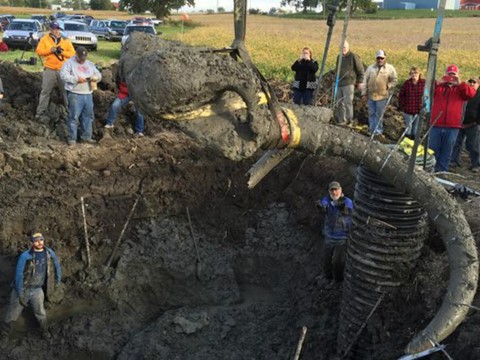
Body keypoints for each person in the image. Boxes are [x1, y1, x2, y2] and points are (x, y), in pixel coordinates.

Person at [0, 231, 62, 340]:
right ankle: (4, 335)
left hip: (37, 289)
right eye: (36, 241)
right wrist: (19, 292)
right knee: (12, 313)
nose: (39, 242)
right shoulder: (26, 256)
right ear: (32, 243)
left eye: (41, 240)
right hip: (22, 288)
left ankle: (44, 330)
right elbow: (18, 274)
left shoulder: (49, 253)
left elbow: (57, 265)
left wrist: (58, 280)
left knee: (41, 312)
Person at [429, 64, 476, 172]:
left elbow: (471, 94)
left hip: (453, 126)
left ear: (457, 75)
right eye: (449, 74)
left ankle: (442, 172)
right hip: (436, 124)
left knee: (447, 151)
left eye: (453, 75)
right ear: (446, 74)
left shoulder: (460, 89)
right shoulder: (439, 87)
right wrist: (438, 82)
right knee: (433, 150)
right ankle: (431, 170)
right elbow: (428, 91)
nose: (451, 77)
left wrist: (460, 83)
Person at [60, 46, 102, 146]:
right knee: (74, 116)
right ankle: (72, 138)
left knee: (88, 116)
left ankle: (86, 137)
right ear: (76, 55)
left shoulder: (90, 64)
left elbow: (99, 74)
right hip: (75, 94)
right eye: (80, 59)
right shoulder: (69, 63)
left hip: (88, 94)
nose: (82, 61)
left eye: (84, 59)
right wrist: (75, 79)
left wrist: (95, 77)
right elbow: (63, 75)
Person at [35, 22, 75, 120]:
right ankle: (40, 112)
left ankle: (70, 112)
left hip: (63, 70)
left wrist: (62, 52)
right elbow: (39, 52)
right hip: (49, 69)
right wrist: (50, 50)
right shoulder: (44, 39)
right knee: (45, 91)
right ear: (51, 29)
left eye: (58, 29)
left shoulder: (66, 40)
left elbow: (72, 54)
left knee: (66, 91)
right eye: (54, 29)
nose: (56, 31)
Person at [316, 181, 353, 283]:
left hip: (342, 238)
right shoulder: (327, 200)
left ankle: (338, 280)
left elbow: (347, 210)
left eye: (336, 190)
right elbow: (324, 205)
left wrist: (339, 206)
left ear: (340, 190)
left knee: (338, 261)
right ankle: (327, 277)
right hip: (329, 236)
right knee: (326, 259)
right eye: (332, 190)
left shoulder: (347, 201)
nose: (334, 192)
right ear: (329, 191)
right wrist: (321, 207)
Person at [362, 50, 398, 137]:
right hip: (371, 95)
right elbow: (364, 81)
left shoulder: (390, 68)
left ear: (385, 58)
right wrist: (363, 93)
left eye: (382, 58)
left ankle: (378, 132)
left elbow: (395, 80)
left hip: (382, 96)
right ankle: (371, 130)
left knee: (379, 114)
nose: (380, 60)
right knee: (371, 113)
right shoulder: (370, 68)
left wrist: (388, 86)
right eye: (378, 58)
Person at [451, 77, 480, 172]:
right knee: (456, 143)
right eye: (470, 82)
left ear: (478, 84)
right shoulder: (463, 94)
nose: (471, 84)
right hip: (459, 123)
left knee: (473, 146)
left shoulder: (479, 96)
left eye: (474, 82)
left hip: (472, 124)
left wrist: (477, 122)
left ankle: (475, 164)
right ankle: (454, 161)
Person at [104, 71, 145, 137]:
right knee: (114, 105)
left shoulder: (138, 72)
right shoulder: (122, 73)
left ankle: (139, 131)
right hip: (124, 94)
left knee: (140, 112)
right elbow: (118, 83)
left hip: (136, 95)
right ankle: (109, 125)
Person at [335, 41, 364, 126]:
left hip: (349, 83)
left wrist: (360, 81)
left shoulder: (353, 56)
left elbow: (360, 70)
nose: (343, 49)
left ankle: (349, 121)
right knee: (339, 102)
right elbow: (337, 69)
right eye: (341, 47)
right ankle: (341, 120)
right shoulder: (339, 57)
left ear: (348, 47)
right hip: (339, 83)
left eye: (344, 47)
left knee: (348, 102)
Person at [398, 66, 426, 139]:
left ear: (419, 74)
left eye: (416, 73)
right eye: (412, 73)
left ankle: (414, 143)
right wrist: (402, 106)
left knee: (416, 128)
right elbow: (401, 95)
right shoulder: (407, 83)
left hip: (418, 109)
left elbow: (427, 95)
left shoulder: (423, 83)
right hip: (408, 109)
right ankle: (407, 141)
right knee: (408, 127)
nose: (414, 75)